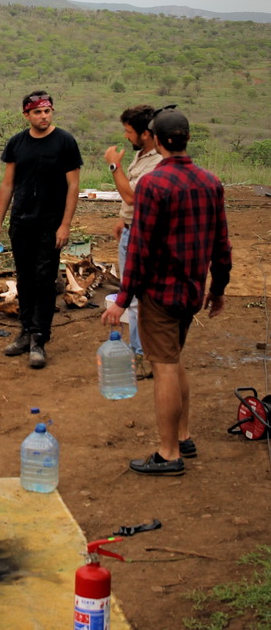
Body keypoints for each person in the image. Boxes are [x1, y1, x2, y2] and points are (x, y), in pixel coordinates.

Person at [102, 108, 232, 476]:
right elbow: (222, 246)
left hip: (160, 292)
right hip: (192, 289)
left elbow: (140, 249)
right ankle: (184, 435)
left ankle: (168, 452)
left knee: (164, 368)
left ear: (157, 141)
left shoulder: (154, 185)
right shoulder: (211, 182)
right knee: (174, 360)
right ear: (187, 139)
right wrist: (218, 289)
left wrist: (123, 301)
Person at [0, 90, 83, 368]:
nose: (44, 116)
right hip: (21, 221)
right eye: (37, 112)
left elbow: (73, 186)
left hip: (50, 224)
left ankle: (39, 339)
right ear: (26, 115)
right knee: (25, 278)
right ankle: (25, 333)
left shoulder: (65, 142)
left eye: (47, 111)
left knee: (45, 279)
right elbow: (8, 184)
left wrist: (65, 225)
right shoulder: (17, 143)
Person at [104, 104, 163, 363]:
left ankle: (142, 353)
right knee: (135, 294)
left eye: (129, 131)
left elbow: (131, 196)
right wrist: (122, 220)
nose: (126, 136)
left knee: (137, 296)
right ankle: (142, 348)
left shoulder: (157, 162)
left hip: (141, 236)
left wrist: (115, 166)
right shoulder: (143, 155)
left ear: (146, 134)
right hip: (130, 229)